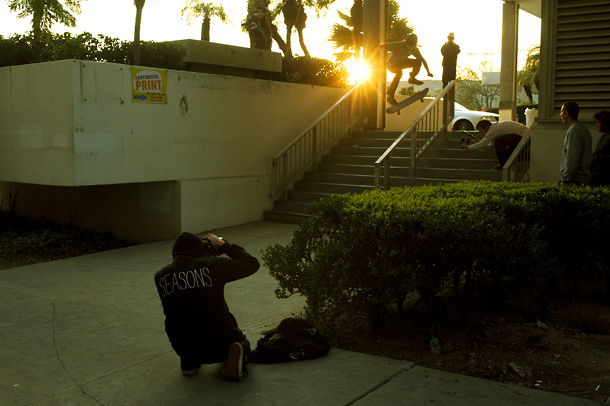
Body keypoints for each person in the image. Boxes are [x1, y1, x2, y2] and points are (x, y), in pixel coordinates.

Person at [154, 232, 260, 381]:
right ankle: (239, 352)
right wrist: (223, 245)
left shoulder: (160, 276)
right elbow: (252, 263)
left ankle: (189, 364)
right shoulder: (212, 266)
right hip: (219, 344)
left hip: (183, 347)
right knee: (241, 341)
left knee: (184, 315)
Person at [379, 34, 433, 106]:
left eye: (413, 46)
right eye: (409, 46)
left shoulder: (414, 49)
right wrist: (381, 44)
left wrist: (428, 72)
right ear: (406, 43)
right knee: (399, 73)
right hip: (392, 64)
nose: (411, 48)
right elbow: (386, 44)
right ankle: (390, 96)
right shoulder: (399, 45)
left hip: (402, 62)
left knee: (418, 62)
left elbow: (423, 60)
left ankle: (412, 78)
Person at [460, 119, 529, 169]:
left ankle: (503, 165)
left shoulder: (493, 130)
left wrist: (468, 147)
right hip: (524, 137)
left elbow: (482, 144)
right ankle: (507, 164)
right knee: (510, 154)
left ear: (486, 128)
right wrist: (479, 143)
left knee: (499, 141)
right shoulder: (496, 130)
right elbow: (491, 147)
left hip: (524, 136)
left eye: (481, 131)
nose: (481, 134)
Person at [559, 102, 592, 185]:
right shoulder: (584, 130)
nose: (560, 115)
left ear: (567, 114)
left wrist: (565, 178)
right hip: (583, 178)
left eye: (562, 112)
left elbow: (572, 158)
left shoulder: (574, 131)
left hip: (574, 180)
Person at [590, 110, 610, 186]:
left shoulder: (608, 138)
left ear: (605, 124)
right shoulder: (605, 136)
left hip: (602, 177)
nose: (596, 125)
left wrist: (595, 158)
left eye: (598, 122)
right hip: (597, 175)